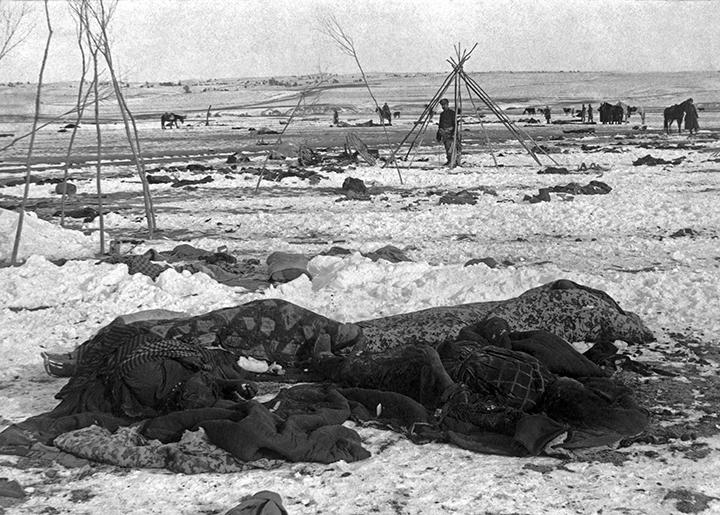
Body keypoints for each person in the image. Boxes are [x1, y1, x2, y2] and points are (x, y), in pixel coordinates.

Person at [436, 98, 461, 167]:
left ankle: (454, 161)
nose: (443, 106)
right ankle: (449, 160)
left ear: (447, 104)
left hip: (450, 133)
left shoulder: (452, 113)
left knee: (452, 148)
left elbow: (455, 124)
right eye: (442, 105)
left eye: (444, 105)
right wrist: (438, 134)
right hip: (444, 134)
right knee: (447, 147)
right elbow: (440, 124)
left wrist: (454, 132)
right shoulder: (442, 114)